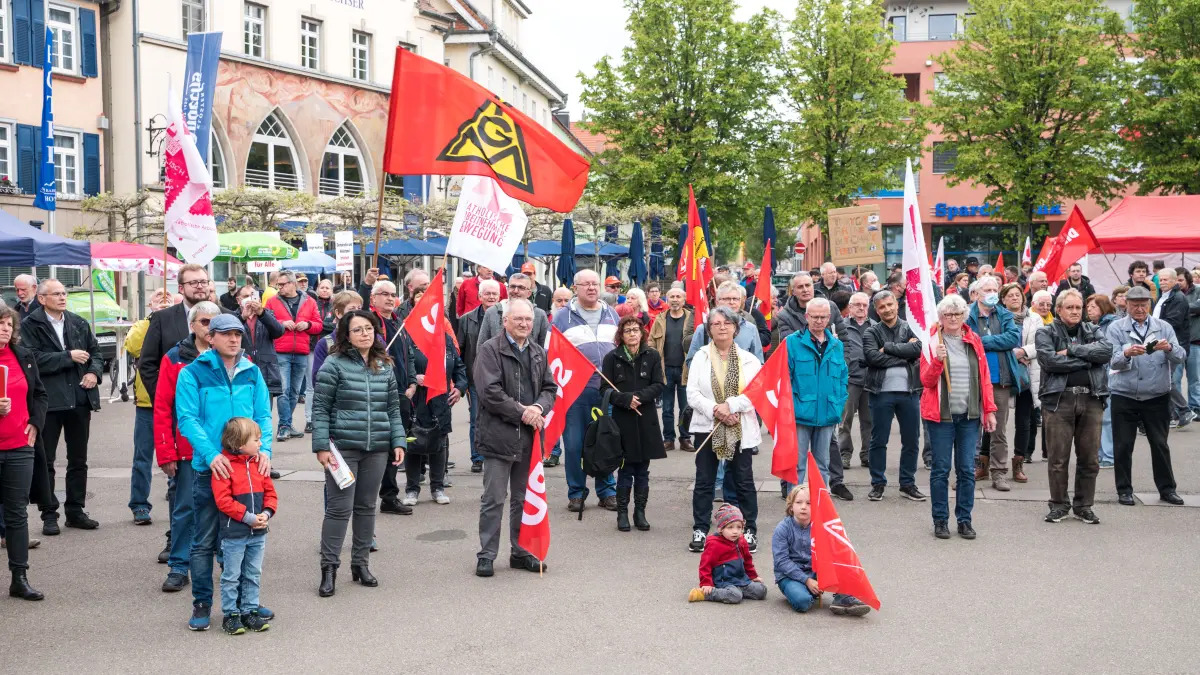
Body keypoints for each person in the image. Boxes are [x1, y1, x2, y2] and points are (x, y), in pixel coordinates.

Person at [175, 314, 275, 631]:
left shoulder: (252, 372)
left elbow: (262, 416)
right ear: (211, 338)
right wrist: (211, 453)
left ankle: (247, 602)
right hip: (211, 470)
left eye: (238, 334)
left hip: (248, 471)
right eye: (226, 334)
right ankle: (202, 603)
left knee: (246, 538)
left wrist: (266, 451)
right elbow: (187, 419)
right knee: (204, 541)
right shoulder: (192, 373)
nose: (234, 340)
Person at [313, 310, 407, 596]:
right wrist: (320, 446)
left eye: (369, 329)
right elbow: (321, 408)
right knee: (339, 509)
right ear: (346, 335)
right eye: (358, 330)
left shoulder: (384, 365)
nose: (365, 334)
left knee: (366, 507)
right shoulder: (333, 364)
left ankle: (360, 565)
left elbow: (392, 408)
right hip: (342, 449)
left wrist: (398, 440)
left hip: (377, 448)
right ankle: (329, 569)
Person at [473, 299, 557, 577]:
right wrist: (523, 412)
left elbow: (549, 387)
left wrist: (538, 408)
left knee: (522, 498)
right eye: (518, 319)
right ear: (505, 321)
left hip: (529, 439)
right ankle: (486, 555)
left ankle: (520, 552)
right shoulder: (489, 350)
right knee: (494, 498)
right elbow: (490, 393)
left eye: (528, 320)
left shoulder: (537, 351)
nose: (524, 324)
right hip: (498, 436)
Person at [22, 279, 104, 533]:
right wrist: (67, 357)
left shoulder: (78, 322)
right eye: (56, 294)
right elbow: (32, 358)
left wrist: (94, 373)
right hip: (50, 401)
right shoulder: (30, 324)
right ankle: (49, 513)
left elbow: (97, 353)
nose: (62, 297)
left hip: (79, 399)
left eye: (64, 293)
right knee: (46, 460)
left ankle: (75, 510)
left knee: (78, 459)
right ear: (42, 298)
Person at [154, 300, 221, 593]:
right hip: (186, 451)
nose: (210, 328)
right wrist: (165, 451)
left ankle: (225, 561)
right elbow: (162, 409)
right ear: (192, 326)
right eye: (204, 322)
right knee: (184, 510)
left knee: (224, 508)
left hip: (223, 451)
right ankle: (179, 566)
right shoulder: (175, 358)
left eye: (214, 322)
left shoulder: (230, 356)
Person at [686, 307, 763, 554]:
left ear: (735, 328)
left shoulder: (748, 359)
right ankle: (700, 528)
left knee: (743, 480)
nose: (721, 327)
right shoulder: (700, 356)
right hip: (707, 425)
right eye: (716, 323)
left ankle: (749, 529)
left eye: (727, 323)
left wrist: (730, 406)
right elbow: (692, 394)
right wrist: (716, 410)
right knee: (704, 480)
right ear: (709, 329)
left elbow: (753, 392)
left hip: (740, 425)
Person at [922, 294, 997, 540]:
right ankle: (940, 520)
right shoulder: (932, 341)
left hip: (969, 416)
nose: (952, 318)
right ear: (940, 317)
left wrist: (990, 410)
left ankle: (964, 520)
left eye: (957, 314)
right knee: (941, 470)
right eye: (947, 314)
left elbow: (984, 377)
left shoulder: (973, 339)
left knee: (966, 470)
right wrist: (937, 361)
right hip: (941, 418)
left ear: (964, 316)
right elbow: (926, 381)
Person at [1036, 289, 1112, 524]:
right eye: (1070, 307)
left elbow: (1106, 351)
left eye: (1078, 307)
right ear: (1058, 310)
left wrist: (1071, 350)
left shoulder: (1093, 329)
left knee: (1090, 459)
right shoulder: (1045, 331)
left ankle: (1084, 506)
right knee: (1058, 459)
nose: (1075, 311)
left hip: (1091, 399)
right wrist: (1088, 360)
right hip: (1059, 400)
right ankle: (1058, 504)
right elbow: (1050, 361)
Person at [1106, 287, 1186, 506]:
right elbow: (1110, 360)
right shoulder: (1115, 328)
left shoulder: (1164, 327)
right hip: (1124, 394)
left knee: (1160, 444)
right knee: (1123, 445)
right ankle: (1124, 490)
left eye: (1143, 304)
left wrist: (1169, 347)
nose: (1139, 309)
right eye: (1134, 305)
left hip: (1157, 395)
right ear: (1127, 305)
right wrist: (1126, 353)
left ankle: (1167, 489)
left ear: (1149, 305)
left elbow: (1181, 355)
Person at [549, 270, 620, 513]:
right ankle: (577, 493)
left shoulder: (612, 314)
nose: (591, 288)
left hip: (607, 391)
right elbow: (552, 353)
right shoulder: (561, 317)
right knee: (574, 444)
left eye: (594, 284)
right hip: (575, 391)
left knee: (606, 440)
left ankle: (607, 491)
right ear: (575, 288)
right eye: (585, 284)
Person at [601, 315, 666, 532]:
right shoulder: (612, 358)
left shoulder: (652, 355)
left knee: (642, 470)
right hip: (622, 421)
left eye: (635, 330)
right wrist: (624, 399)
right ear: (621, 334)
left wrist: (639, 396)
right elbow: (604, 389)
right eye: (627, 330)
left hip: (645, 419)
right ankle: (622, 513)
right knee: (625, 468)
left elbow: (658, 384)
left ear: (642, 333)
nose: (632, 334)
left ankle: (640, 512)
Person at [0, 305, 48, 600]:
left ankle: (20, 577)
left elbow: (40, 394)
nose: (5, 329)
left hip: (19, 447)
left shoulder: (23, 356)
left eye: (8, 324)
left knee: (17, 514)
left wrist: (35, 422)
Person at [212, 417, 276, 635]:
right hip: (234, 533)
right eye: (256, 440)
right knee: (231, 575)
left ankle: (249, 611)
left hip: (258, 532)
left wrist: (266, 514)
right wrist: (248, 517)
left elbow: (270, 494)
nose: (261, 443)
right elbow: (223, 501)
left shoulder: (260, 464)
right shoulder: (224, 466)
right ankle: (230, 614)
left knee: (253, 573)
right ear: (240, 444)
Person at [862, 291, 925, 502]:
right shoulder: (871, 332)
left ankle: (907, 483)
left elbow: (919, 349)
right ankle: (878, 483)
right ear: (876, 310)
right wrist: (905, 357)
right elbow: (872, 357)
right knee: (878, 440)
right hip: (880, 393)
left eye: (890, 305)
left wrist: (888, 348)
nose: (887, 309)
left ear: (896, 305)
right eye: (882, 307)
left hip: (909, 392)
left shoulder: (911, 327)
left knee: (911, 440)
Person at [771, 485, 871, 615]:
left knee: (843, 561)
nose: (803, 507)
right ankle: (806, 592)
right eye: (799, 502)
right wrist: (806, 581)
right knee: (803, 602)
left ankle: (843, 598)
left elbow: (836, 551)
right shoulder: (782, 529)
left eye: (809, 503)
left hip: (815, 570)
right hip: (789, 576)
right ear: (791, 506)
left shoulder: (822, 526)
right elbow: (781, 562)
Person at [402, 308, 467, 507]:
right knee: (413, 444)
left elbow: (459, 368)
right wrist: (414, 379)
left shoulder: (446, 341)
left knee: (440, 445)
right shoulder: (408, 341)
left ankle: (437, 487)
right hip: (416, 400)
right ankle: (412, 489)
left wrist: (460, 388)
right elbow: (400, 368)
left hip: (440, 401)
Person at [965, 274, 1024, 491]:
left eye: (994, 291)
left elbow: (1011, 339)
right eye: (987, 290)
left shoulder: (1005, 314)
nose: (992, 294)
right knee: (969, 428)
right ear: (976, 293)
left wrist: (982, 341)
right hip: (972, 379)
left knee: (998, 430)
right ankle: (967, 471)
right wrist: (983, 342)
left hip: (999, 379)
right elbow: (965, 340)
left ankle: (999, 474)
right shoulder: (966, 315)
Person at [123, 290, 175, 526]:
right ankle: (139, 504)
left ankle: (175, 493)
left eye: (168, 299)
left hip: (174, 401)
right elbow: (133, 347)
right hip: (147, 402)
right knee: (142, 457)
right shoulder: (142, 325)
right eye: (157, 298)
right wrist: (153, 319)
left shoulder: (178, 323)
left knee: (177, 454)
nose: (163, 301)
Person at [786, 298, 847, 489]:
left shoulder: (837, 345)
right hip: (800, 415)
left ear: (829, 318)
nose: (819, 321)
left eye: (822, 317)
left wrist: (838, 404)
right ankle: (795, 508)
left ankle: (821, 507)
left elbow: (843, 378)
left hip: (828, 414)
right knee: (797, 466)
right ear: (806, 317)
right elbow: (784, 379)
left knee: (823, 465)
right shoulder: (792, 343)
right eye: (814, 317)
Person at [369, 280, 415, 517]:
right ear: (373, 298)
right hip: (379, 392)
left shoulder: (398, 321)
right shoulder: (371, 323)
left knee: (397, 444)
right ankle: (379, 494)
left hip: (402, 392)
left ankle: (389, 496)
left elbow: (409, 353)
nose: (389, 298)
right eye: (384, 294)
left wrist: (413, 381)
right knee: (382, 445)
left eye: (392, 294)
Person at [264, 271, 322, 441]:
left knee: (295, 392)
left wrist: (308, 324)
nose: (279, 287)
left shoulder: (309, 301)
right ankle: (283, 425)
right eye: (278, 285)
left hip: (301, 351)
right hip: (280, 350)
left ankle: (287, 424)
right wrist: (281, 323)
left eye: (282, 284)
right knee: (283, 390)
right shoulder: (272, 301)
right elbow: (266, 322)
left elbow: (318, 325)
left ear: (293, 284)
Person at [458, 279, 501, 473]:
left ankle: (495, 452)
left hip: (501, 376)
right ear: (479, 296)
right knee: (477, 417)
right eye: (488, 294)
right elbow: (461, 349)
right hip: (475, 376)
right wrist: (461, 379)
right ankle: (477, 457)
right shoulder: (467, 319)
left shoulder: (505, 316)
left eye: (495, 294)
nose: (491, 297)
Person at [687, 504, 767, 605]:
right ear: (721, 529)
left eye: (739, 527)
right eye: (730, 527)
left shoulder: (742, 541)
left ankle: (736, 591)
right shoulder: (714, 543)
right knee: (735, 597)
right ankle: (706, 594)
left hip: (740, 578)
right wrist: (706, 583)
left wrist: (752, 576)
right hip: (723, 581)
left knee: (761, 590)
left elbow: (747, 560)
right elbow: (705, 565)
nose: (735, 531)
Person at [1003, 282, 1041, 483]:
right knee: (996, 419)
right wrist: (1012, 354)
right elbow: (994, 340)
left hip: (1026, 374)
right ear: (1003, 300)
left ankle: (1019, 462)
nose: (1014, 298)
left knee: (1024, 420)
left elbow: (1041, 343)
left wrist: (1023, 351)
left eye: (1017, 294)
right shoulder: (997, 317)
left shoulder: (1034, 318)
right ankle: (987, 462)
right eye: (1010, 295)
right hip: (1003, 373)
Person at [649, 288, 695, 452]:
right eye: (671, 296)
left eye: (678, 296)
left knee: (685, 408)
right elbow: (651, 342)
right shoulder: (660, 319)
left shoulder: (692, 319)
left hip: (685, 370)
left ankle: (685, 438)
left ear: (684, 299)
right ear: (666, 299)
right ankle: (668, 439)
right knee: (667, 408)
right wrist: (654, 358)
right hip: (665, 370)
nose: (675, 299)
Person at [1152, 268, 1194, 427]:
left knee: (1166, 380)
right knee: (1164, 379)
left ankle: (1184, 411)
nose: (1162, 282)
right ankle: (1176, 414)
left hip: (1173, 345)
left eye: (1165, 280)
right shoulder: (1163, 297)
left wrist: (1151, 333)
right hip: (1160, 343)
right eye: (1160, 280)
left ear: (1175, 281)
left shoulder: (1178, 298)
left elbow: (1172, 323)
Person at [837, 292, 874, 478]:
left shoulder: (875, 326)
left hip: (870, 380)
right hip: (849, 379)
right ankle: (844, 454)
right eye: (857, 304)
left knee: (869, 421)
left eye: (864, 305)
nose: (861, 308)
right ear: (849, 307)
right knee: (845, 420)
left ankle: (867, 454)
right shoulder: (841, 327)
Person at [686, 282, 765, 364]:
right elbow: (692, 361)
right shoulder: (703, 329)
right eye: (727, 299)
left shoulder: (750, 328)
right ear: (717, 302)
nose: (732, 302)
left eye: (735, 299)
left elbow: (758, 362)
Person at [235, 284, 285, 406]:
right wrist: (243, 317)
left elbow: (279, 331)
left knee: (264, 414)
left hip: (266, 372)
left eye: (252, 296)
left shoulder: (267, 314)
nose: (250, 299)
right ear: (238, 300)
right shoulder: (233, 317)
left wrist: (262, 313)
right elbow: (230, 334)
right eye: (246, 296)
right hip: (242, 371)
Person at [1086, 294, 1119, 469]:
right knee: (1098, 419)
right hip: (1097, 377)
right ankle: (1100, 454)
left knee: (1107, 419)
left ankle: (1109, 456)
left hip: (1109, 376)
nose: (1089, 309)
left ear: (1103, 307)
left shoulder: (1112, 324)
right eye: (1088, 306)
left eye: (1093, 306)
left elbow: (1109, 350)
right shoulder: (1094, 325)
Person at [477, 273, 549, 347]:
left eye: (521, 287)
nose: (515, 291)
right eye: (512, 286)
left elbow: (546, 348)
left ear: (529, 293)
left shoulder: (539, 315)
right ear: (507, 289)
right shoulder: (492, 312)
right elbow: (481, 347)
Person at [304, 279, 336, 433]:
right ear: (317, 289)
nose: (324, 290)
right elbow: (310, 325)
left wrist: (319, 325)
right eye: (322, 287)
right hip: (312, 347)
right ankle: (309, 419)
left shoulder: (335, 305)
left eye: (327, 288)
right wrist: (318, 325)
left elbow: (333, 325)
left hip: (331, 348)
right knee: (311, 385)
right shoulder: (312, 304)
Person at [1178, 268, 1200, 416]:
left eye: (1181, 280)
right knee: (1175, 379)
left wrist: (1181, 307)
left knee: (1194, 379)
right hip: (1178, 343)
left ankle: (1196, 408)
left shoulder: (1198, 291)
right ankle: (1179, 409)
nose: (1178, 283)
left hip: (1194, 341)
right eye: (1176, 280)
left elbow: (1198, 307)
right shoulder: (1171, 294)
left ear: (1187, 279)